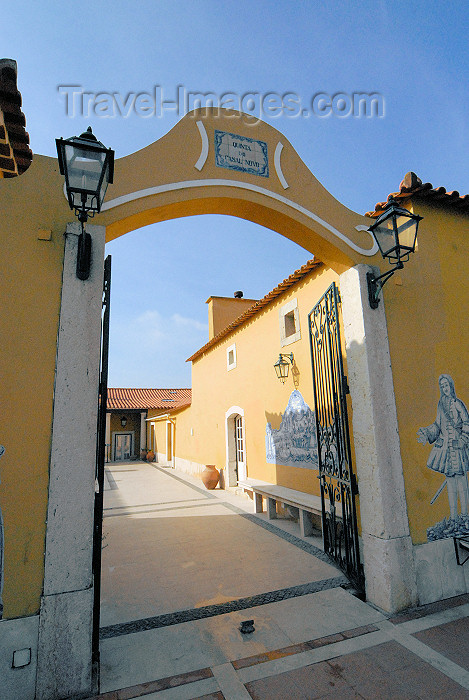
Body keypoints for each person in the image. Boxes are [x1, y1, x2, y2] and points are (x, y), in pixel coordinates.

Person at [417, 375, 469, 520]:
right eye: (443, 386)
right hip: (446, 450)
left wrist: (463, 440)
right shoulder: (441, 405)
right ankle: (454, 518)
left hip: (458, 448)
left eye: (447, 385)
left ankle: (465, 516)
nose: (445, 388)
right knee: (451, 481)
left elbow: (467, 422)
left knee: (461, 481)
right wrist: (426, 433)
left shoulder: (457, 403)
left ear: (451, 386)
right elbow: (438, 425)